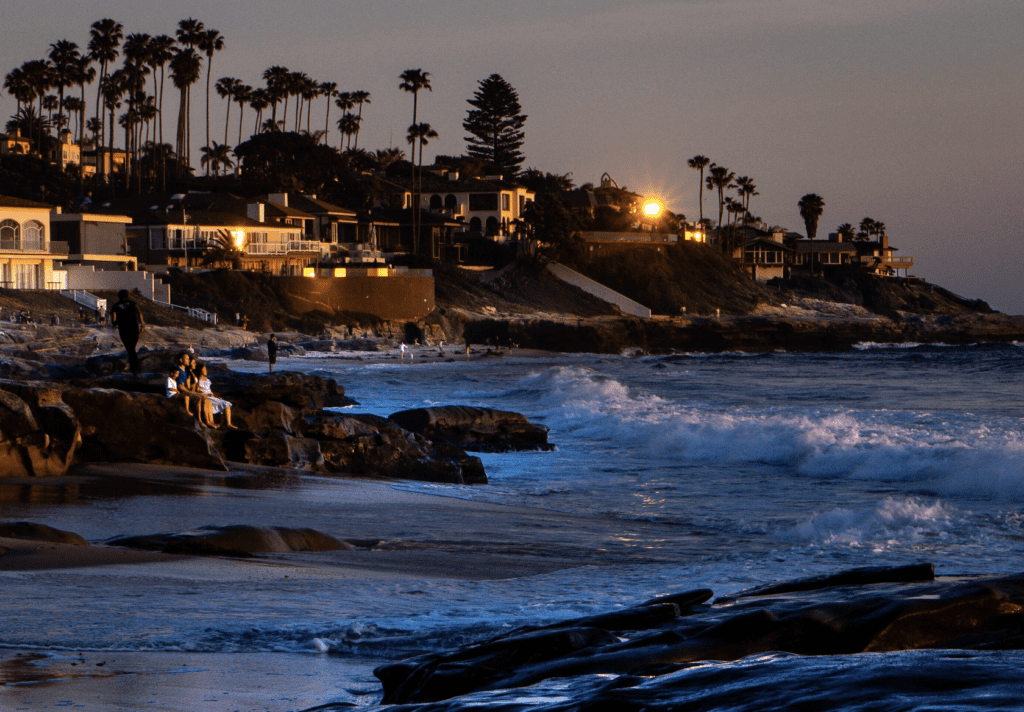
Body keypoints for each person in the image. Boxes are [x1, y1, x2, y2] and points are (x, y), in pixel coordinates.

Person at [111, 290, 145, 377]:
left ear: (119, 296)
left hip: (124, 331)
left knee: (130, 350)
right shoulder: (133, 303)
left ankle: (134, 370)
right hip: (134, 329)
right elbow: (140, 313)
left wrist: (115, 323)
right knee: (132, 349)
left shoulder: (115, 306)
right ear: (127, 296)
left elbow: (114, 319)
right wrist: (142, 327)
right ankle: (135, 371)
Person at [195, 364, 237, 429]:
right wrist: (205, 394)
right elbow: (197, 391)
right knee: (226, 404)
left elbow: (209, 389)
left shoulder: (206, 379)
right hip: (206, 396)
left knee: (227, 404)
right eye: (204, 369)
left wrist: (213, 394)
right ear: (200, 371)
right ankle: (212, 422)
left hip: (211, 396)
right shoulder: (198, 380)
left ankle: (229, 424)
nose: (206, 371)